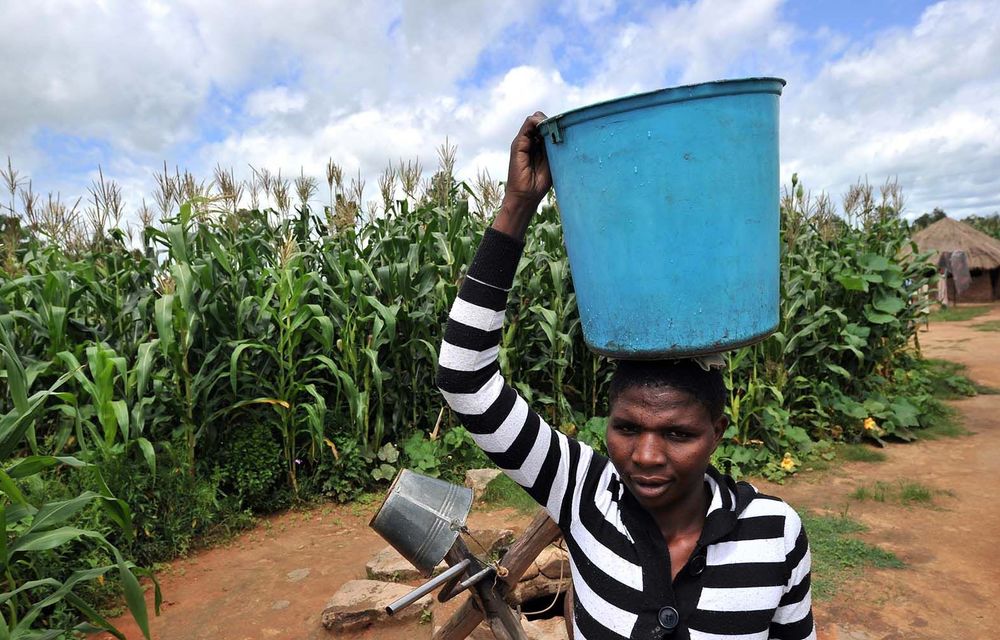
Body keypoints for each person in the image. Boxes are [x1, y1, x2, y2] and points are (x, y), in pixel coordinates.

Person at [437, 113, 815, 640]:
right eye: (628, 427)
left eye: (678, 433)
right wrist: (517, 206)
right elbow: (465, 379)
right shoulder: (582, 491)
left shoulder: (774, 533)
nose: (646, 456)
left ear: (718, 433)